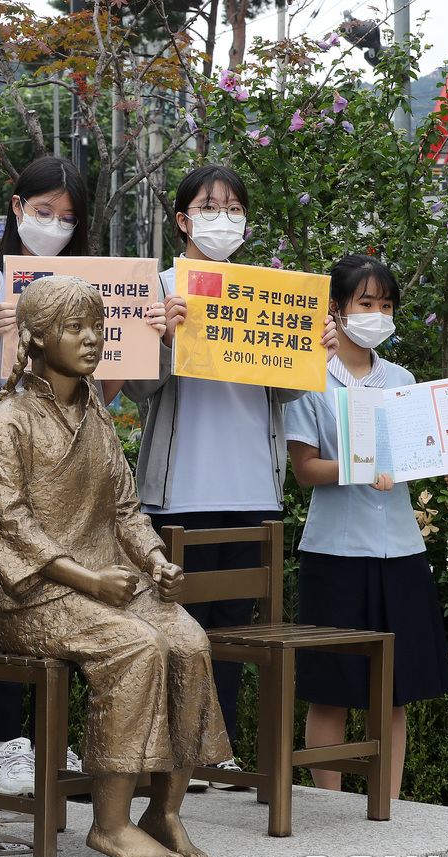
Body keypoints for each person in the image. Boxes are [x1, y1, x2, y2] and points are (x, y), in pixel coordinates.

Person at [0, 275, 231, 857]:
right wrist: (87, 581)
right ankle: (110, 824)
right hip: (27, 597)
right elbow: (8, 521)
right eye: (75, 328)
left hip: (105, 585)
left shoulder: (95, 412)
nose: (92, 338)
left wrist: (155, 560)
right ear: (37, 338)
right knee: (136, 646)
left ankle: (163, 811)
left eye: (97, 326)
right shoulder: (6, 420)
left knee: (188, 640)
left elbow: (125, 510)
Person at [120, 165, 336, 788]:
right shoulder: (158, 289)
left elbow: (287, 389)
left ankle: (218, 751)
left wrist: (314, 351)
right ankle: (164, 755)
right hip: (176, 495)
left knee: (234, 632)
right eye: (210, 207)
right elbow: (134, 390)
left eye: (235, 209)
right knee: (170, 631)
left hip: (252, 493)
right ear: (183, 220)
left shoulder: (269, 294)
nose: (224, 218)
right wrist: (163, 339)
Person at [285, 254, 448, 800]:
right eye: (366, 303)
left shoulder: (403, 381)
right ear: (336, 309)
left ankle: (384, 806)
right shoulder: (309, 378)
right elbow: (305, 470)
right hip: (335, 554)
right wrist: (359, 467)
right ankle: (330, 803)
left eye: (386, 305)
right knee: (331, 689)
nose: (377, 314)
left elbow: (418, 453)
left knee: (394, 691)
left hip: (401, 552)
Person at [0, 156, 93, 795]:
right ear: (16, 207)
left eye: (68, 218)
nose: (55, 226)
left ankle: (50, 738)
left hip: (68, 478)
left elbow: (107, 391)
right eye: (44, 211)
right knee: (3, 602)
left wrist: (138, 340)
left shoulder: (92, 286)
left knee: (64, 604)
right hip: (0, 471)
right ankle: (6, 745)